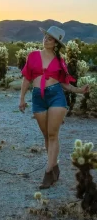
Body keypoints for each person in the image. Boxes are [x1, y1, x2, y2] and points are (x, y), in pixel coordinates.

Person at [18, 26, 89, 189]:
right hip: (37, 97)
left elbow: (64, 83)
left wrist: (79, 90)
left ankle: (48, 172)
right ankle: (55, 166)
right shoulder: (33, 56)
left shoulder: (59, 61)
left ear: (56, 44)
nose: (46, 39)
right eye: (46, 37)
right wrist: (21, 98)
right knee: (46, 135)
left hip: (56, 95)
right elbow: (27, 78)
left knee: (52, 135)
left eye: (50, 38)